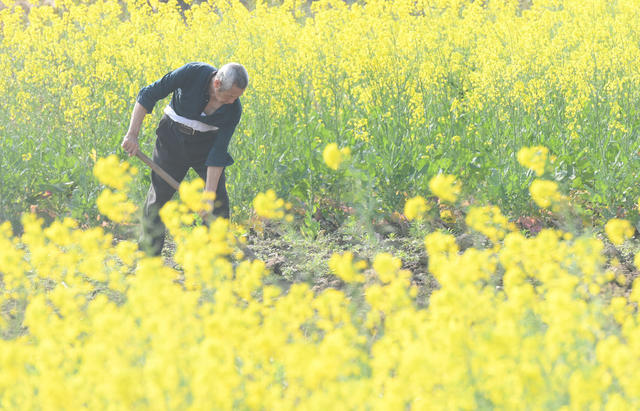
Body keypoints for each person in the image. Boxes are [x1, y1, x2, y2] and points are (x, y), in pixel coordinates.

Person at [121, 62, 248, 256]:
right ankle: (148, 258)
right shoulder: (192, 73)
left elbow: (218, 153)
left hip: (206, 145)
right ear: (217, 83)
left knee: (218, 202)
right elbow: (148, 94)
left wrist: (208, 197)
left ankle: (217, 260)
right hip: (171, 139)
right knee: (158, 199)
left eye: (237, 97)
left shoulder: (233, 110)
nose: (233, 101)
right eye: (230, 95)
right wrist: (132, 135)